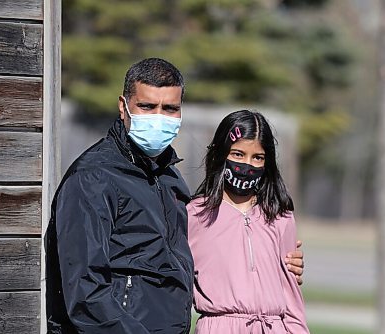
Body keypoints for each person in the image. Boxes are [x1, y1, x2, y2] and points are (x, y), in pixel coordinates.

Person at [45, 58, 304, 334]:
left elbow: (201, 255)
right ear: (123, 107)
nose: (158, 117)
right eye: (147, 106)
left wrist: (272, 261)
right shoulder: (93, 178)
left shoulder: (169, 179)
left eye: (169, 108)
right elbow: (85, 291)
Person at [187, 109, 310, 333]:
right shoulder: (194, 214)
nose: (247, 165)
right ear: (219, 154)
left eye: (258, 158)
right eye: (237, 154)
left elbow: (292, 298)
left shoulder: (280, 216)